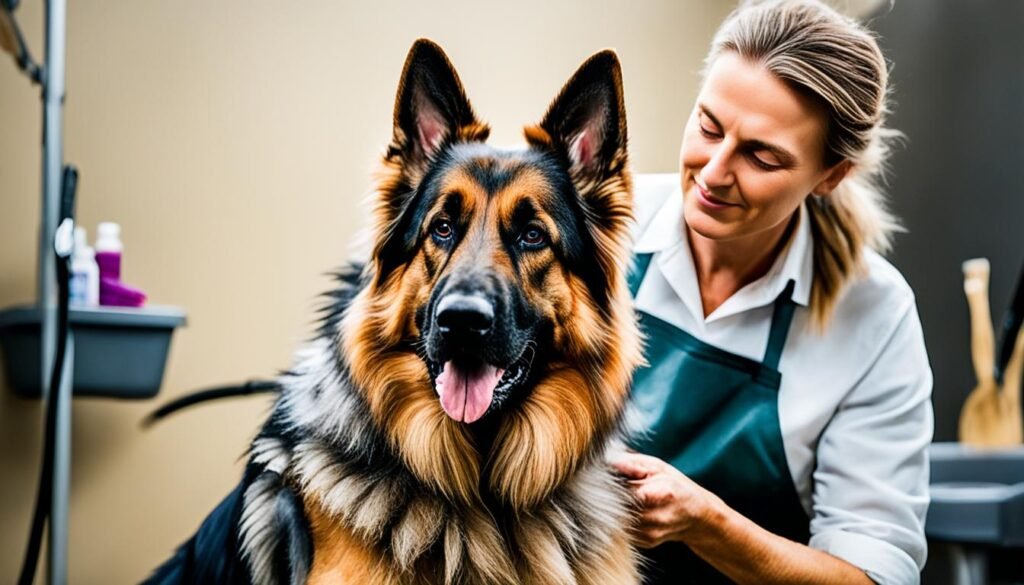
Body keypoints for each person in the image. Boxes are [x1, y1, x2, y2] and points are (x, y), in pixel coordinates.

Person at [610, 1, 933, 584]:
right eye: (709, 126)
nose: (713, 172)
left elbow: (873, 576)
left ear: (829, 177)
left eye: (761, 155)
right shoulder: (596, 228)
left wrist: (706, 521)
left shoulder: (874, 316)